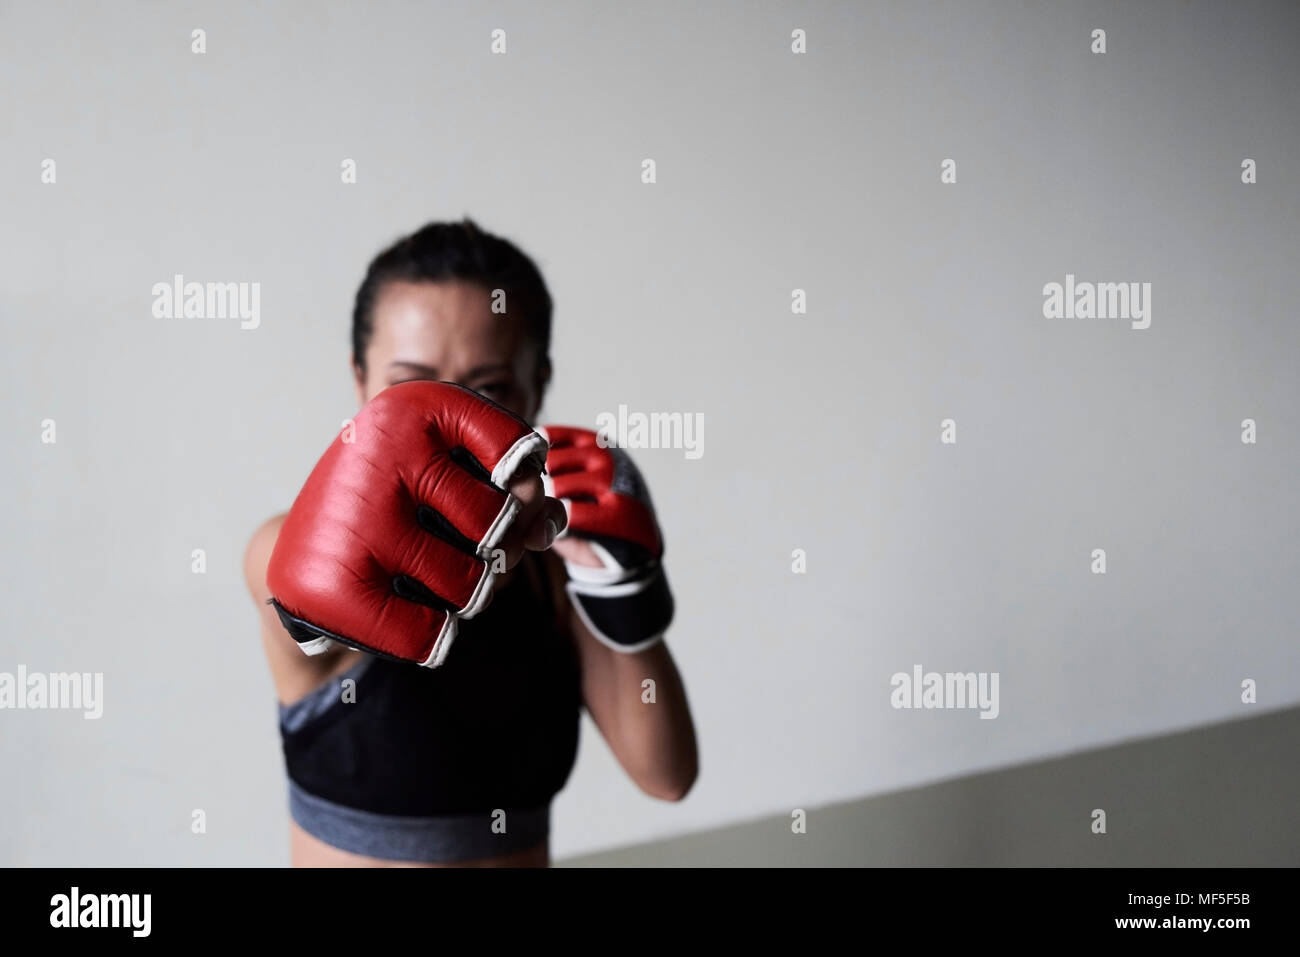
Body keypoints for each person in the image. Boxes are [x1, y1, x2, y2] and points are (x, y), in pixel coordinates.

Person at [243, 219, 698, 866]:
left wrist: (624, 586)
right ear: (359, 381)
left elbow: (667, 775)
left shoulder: (554, 568)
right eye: (410, 389)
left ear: (538, 385)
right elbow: (285, 583)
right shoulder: (296, 550)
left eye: (489, 390)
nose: (450, 418)